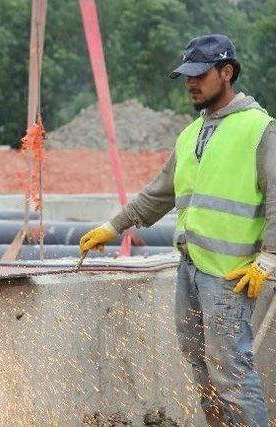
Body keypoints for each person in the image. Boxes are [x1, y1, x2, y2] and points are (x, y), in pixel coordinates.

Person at [79, 34, 275, 426]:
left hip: (231, 275)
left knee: (232, 375)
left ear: (226, 72)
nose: (190, 83)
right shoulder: (190, 135)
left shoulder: (260, 128)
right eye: (186, 76)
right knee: (201, 368)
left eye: (199, 75)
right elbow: (159, 193)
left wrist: (269, 258)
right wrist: (112, 226)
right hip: (190, 268)